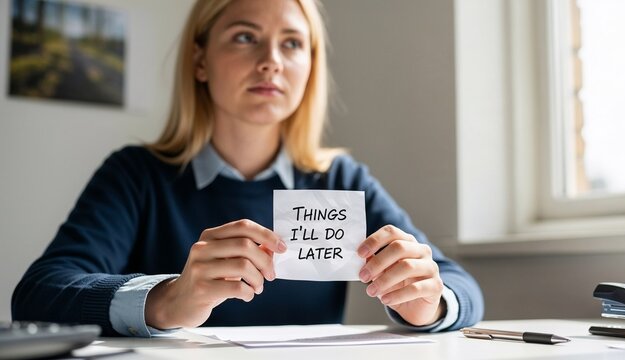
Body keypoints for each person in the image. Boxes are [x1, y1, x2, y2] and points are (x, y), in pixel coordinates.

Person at [12, 0, 484, 337]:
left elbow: (461, 286)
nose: (271, 63)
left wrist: (429, 302)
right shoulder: (136, 175)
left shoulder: (340, 179)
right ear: (200, 60)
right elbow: (39, 293)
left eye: (293, 44)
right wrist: (169, 299)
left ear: (309, 68)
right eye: (245, 37)